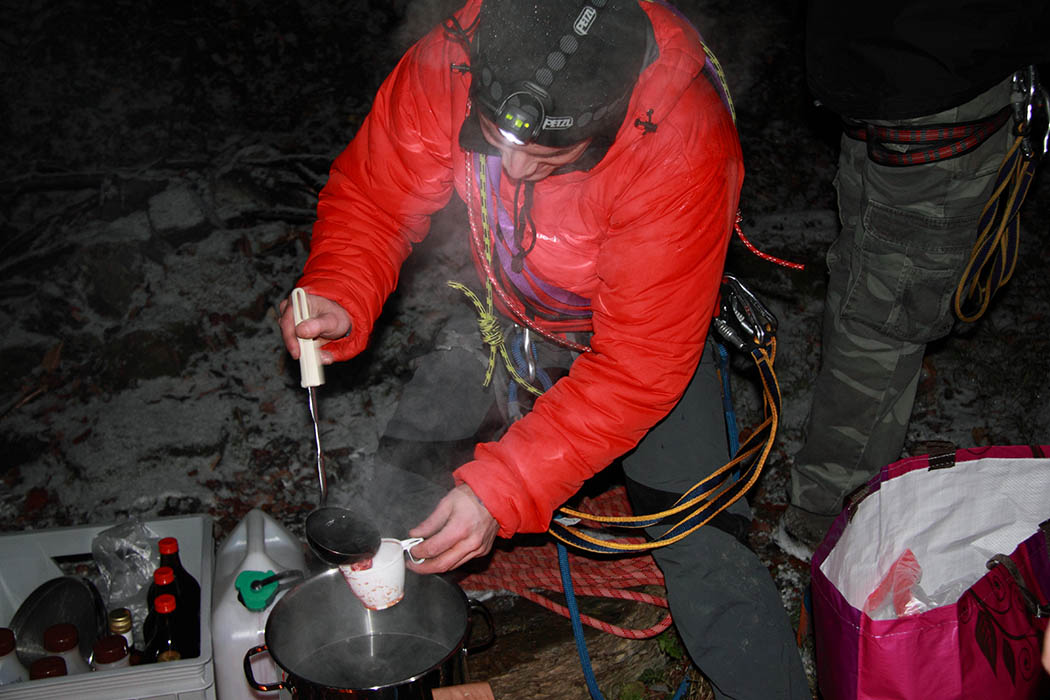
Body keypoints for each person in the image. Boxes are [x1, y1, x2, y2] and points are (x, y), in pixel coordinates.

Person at [279, 1, 809, 697]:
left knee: (703, 553)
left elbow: (635, 368)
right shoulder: (454, 61)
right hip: (509, 311)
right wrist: (339, 290)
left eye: (551, 155)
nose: (518, 169)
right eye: (495, 139)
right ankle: (384, 663)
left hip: (640, 343)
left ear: (612, 124)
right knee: (396, 486)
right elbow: (378, 197)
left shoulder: (680, 141)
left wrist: (502, 492)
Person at [779, 0, 1050, 555]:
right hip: (933, 90)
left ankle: (828, 499)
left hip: (878, 78)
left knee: (865, 287)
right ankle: (827, 515)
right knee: (883, 320)